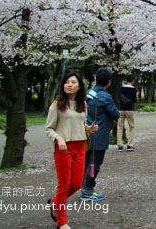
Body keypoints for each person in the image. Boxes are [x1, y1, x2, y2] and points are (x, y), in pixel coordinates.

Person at [46, 72, 97, 229]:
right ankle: (62, 222)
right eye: (66, 82)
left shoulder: (83, 104)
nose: (69, 84)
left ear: (79, 86)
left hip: (80, 146)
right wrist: (58, 138)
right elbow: (49, 128)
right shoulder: (57, 104)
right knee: (64, 185)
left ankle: (55, 202)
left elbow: (80, 125)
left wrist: (89, 129)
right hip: (63, 148)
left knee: (75, 184)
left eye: (73, 82)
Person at [80, 67, 120, 201]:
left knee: (86, 161)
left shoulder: (88, 93)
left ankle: (84, 186)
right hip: (99, 134)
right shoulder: (105, 97)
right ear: (109, 82)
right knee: (94, 163)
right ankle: (87, 190)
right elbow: (115, 114)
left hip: (85, 133)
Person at [117, 74, 137, 152]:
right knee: (131, 127)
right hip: (129, 109)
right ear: (132, 81)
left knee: (119, 127)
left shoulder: (121, 89)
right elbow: (134, 100)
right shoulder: (133, 89)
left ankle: (120, 145)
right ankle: (130, 144)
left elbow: (119, 97)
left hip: (121, 109)